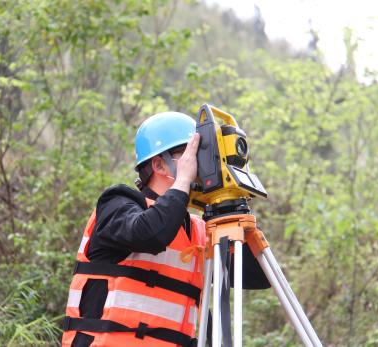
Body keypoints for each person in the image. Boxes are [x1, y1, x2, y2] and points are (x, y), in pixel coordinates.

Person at [61, 112, 269, 347]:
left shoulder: (198, 231)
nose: (200, 163)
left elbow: (259, 276)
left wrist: (233, 208)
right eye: (192, 153)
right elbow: (151, 233)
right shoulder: (117, 204)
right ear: (159, 164)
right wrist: (182, 182)